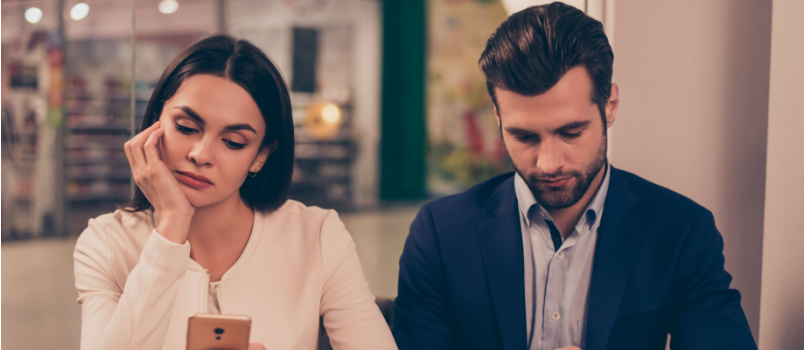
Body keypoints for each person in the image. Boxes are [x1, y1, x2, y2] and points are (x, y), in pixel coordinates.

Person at [393, 3, 756, 350]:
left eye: (570, 132)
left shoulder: (680, 231)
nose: (549, 163)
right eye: (524, 136)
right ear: (498, 118)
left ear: (610, 106)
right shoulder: (440, 234)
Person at [73, 35, 396, 350]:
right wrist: (172, 226)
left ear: (260, 156)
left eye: (233, 142)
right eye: (186, 127)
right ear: (156, 122)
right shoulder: (106, 243)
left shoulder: (318, 236)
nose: (200, 154)